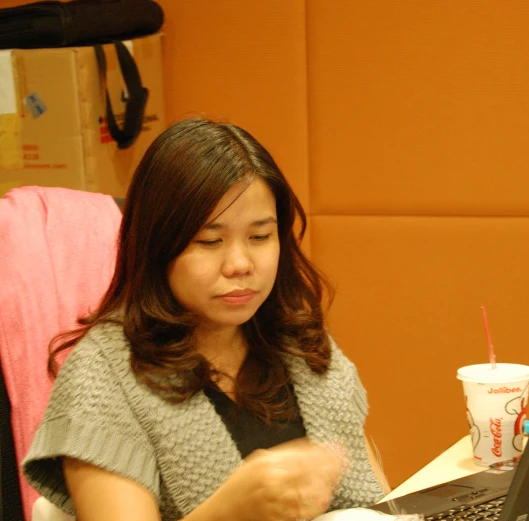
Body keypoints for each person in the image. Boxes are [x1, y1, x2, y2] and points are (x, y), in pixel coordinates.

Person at [22, 118, 390, 521]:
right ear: (157, 244)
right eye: (210, 241)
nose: (240, 264)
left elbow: (377, 501)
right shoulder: (103, 376)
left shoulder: (297, 340)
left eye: (260, 236)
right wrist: (229, 511)